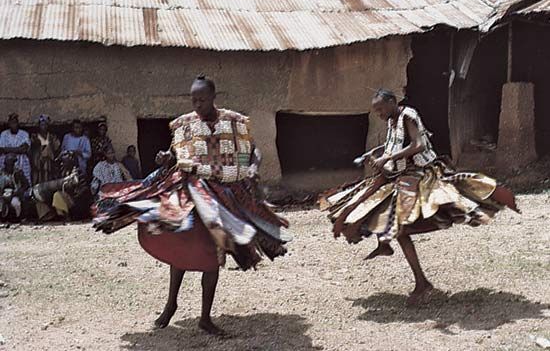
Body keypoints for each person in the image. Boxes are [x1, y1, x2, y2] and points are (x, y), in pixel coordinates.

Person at [94, 75, 292, 334]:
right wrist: (166, 157)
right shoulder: (186, 125)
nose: (197, 104)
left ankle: (205, 318)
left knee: (212, 255)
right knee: (180, 243)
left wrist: (253, 168)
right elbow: (175, 153)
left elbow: (253, 150)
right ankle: (170, 304)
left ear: (213, 97)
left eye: (202, 99)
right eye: (193, 99)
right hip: (189, 190)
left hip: (223, 194)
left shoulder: (233, 122)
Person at [320, 88, 518, 306]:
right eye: (375, 111)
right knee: (378, 208)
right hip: (399, 172)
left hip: (420, 172)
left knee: (398, 219)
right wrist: (375, 153)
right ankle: (397, 256)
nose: (378, 113)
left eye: (380, 109)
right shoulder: (392, 120)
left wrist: (390, 157)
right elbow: (394, 144)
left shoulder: (408, 115)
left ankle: (419, 280)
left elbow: (419, 145)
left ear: (392, 102)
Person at [32, 151, 89, 221]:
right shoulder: (61, 172)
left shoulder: (78, 174)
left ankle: (65, 216)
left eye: (63, 161)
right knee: (39, 194)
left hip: (76, 205)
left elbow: (80, 195)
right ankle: (48, 216)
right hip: (66, 199)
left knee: (57, 195)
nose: (61, 163)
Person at [0, 113, 32, 184]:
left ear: (18, 123)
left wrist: (7, 149)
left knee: (24, 184)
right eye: (11, 123)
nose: (13, 125)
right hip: (7, 164)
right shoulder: (3, 134)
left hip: (21, 163)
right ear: (8, 124)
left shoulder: (24, 134)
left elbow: (24, 149)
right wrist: (18, 149)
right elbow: (1, 149)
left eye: (15, 123)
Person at [31, 114, 61, 185]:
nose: (43, 126)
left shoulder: (52, 137)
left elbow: (57, 148)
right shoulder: (34, 137)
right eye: (41, 124)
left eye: (45, 124)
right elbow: (31, 150)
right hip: (38, 164)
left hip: (49, 164)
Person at [0, 154, 30, 221]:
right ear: (5, 164)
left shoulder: (18, 172)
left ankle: (18, 218)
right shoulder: (1, 173)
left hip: (15, 194)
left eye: (12, 163)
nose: (10, 166)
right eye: (9, 164)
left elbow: (26, 185)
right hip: (2, 194)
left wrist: (18, 192)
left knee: (16, 204)